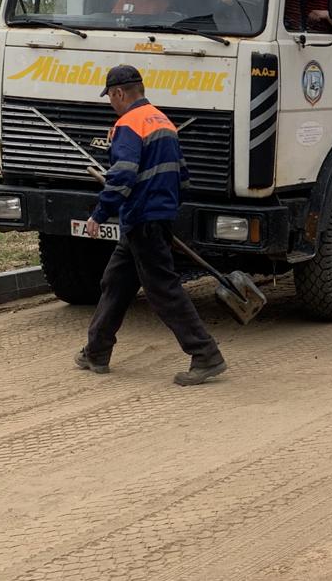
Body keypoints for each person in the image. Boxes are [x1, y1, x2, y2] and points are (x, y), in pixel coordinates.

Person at [75, 65, 227, 386]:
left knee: (163, 290)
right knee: (115, 283)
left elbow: (123, 174)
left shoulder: (128, 124)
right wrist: (165, 208)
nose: (111, 103)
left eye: (110, 97)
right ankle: (96, 351)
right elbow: (182, 175)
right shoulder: (163, 121)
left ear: (118, 93)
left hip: (143, 219)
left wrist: (99, 215)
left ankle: (205, 354)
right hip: (150, 218)